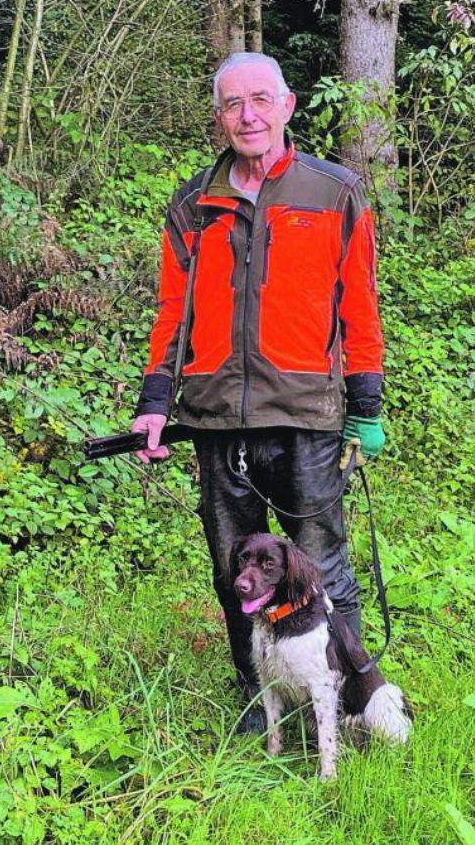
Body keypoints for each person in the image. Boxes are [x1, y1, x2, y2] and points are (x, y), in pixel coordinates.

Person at [131, 52, 385, 733]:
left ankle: (353, 700)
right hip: (215, 419)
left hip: (305, 416)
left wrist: (366, 406)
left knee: (320, 563)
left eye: (261, 101)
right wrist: (154, 403)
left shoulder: (334, 192)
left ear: (287, 105)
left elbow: (359, 304)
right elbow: (170, 313)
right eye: (233, 104)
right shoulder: (192, 207)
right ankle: (259, 694)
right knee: (232, 568)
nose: (248, 116)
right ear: (217, 116)